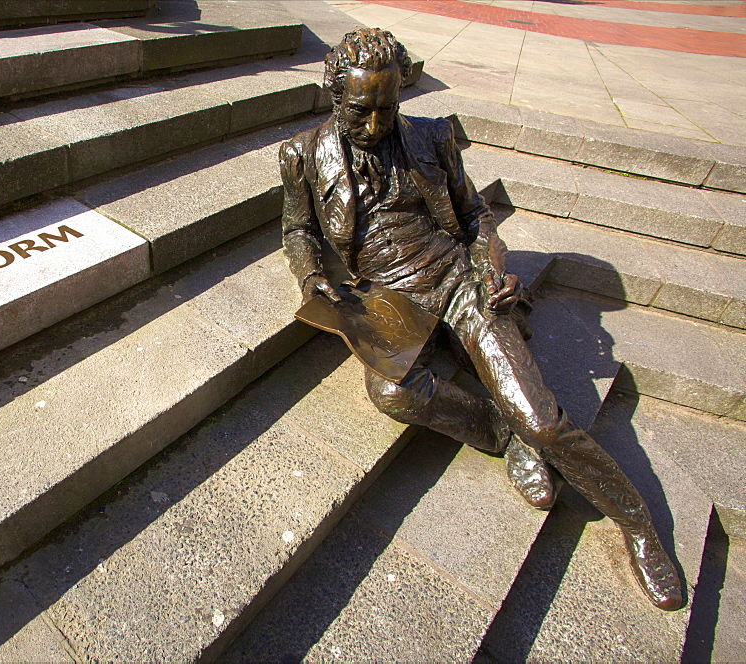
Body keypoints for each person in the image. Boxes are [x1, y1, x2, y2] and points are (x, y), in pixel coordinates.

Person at [280, 27, 683, 610]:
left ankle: (638, 524)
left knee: (544, 419)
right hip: (391, 300)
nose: (375, 125)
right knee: (393, 393)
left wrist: (491, 267)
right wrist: (311, 275)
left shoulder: (431, 138)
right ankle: (503, 432)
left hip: (458, 282)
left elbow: (476, 218)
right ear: (334, 97)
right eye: (360, 112)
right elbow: (297, 231)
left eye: (388, 109)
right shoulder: (302, 156)